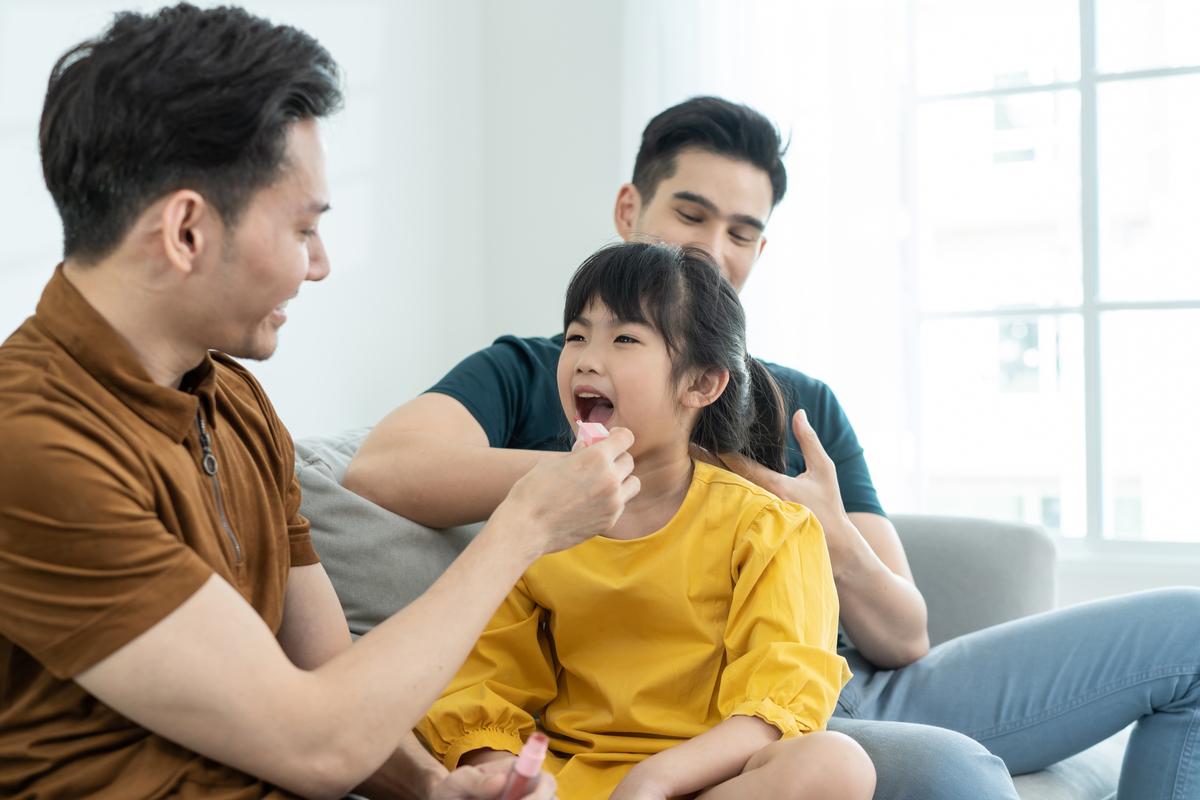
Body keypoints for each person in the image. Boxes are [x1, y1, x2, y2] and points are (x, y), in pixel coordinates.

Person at [347, 96, 1200, 799]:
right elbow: (384, 470)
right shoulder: (532, 377)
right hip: (656, 718)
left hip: (822, 682)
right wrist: (598, 482)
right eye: (691, 212)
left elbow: (905, 634)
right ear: (628, 211)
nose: (712, 247)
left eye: (743, 231)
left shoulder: (800, 403)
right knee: (945, 774)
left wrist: (824, 529)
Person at [0, 6, 641, 799]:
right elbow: (315, 743)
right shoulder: (30, 443)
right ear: (188, 232)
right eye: (304, 229)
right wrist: (525, 526)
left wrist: (436, 789)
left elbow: (335, 681)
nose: (321, 265)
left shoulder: (233, 400)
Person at [418, 242, 876, 800]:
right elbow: (485, 684)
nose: (587, 358)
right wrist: (501, 771)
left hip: (709, 782)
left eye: (625, 339)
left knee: (838, 763)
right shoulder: (539, 518)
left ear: (701, 384)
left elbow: (779, 704)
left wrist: (653, 780)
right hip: (567, 785)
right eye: (576, 337)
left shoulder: (769, 527)